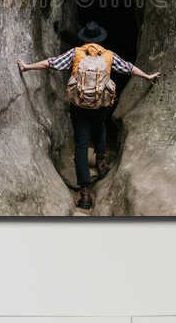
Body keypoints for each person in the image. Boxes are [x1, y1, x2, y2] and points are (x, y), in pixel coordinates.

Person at [19, 23, 159, 210]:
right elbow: (129, 68)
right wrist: (148, 76)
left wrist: (27, 67)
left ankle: (84, 194)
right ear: (101, 39)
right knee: (100, 126)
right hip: (100, 105)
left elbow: (51, 63)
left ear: (84, 39)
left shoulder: (76, 54)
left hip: (79, 106)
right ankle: (101, 164)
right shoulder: (108, 56)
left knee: (81, 145)